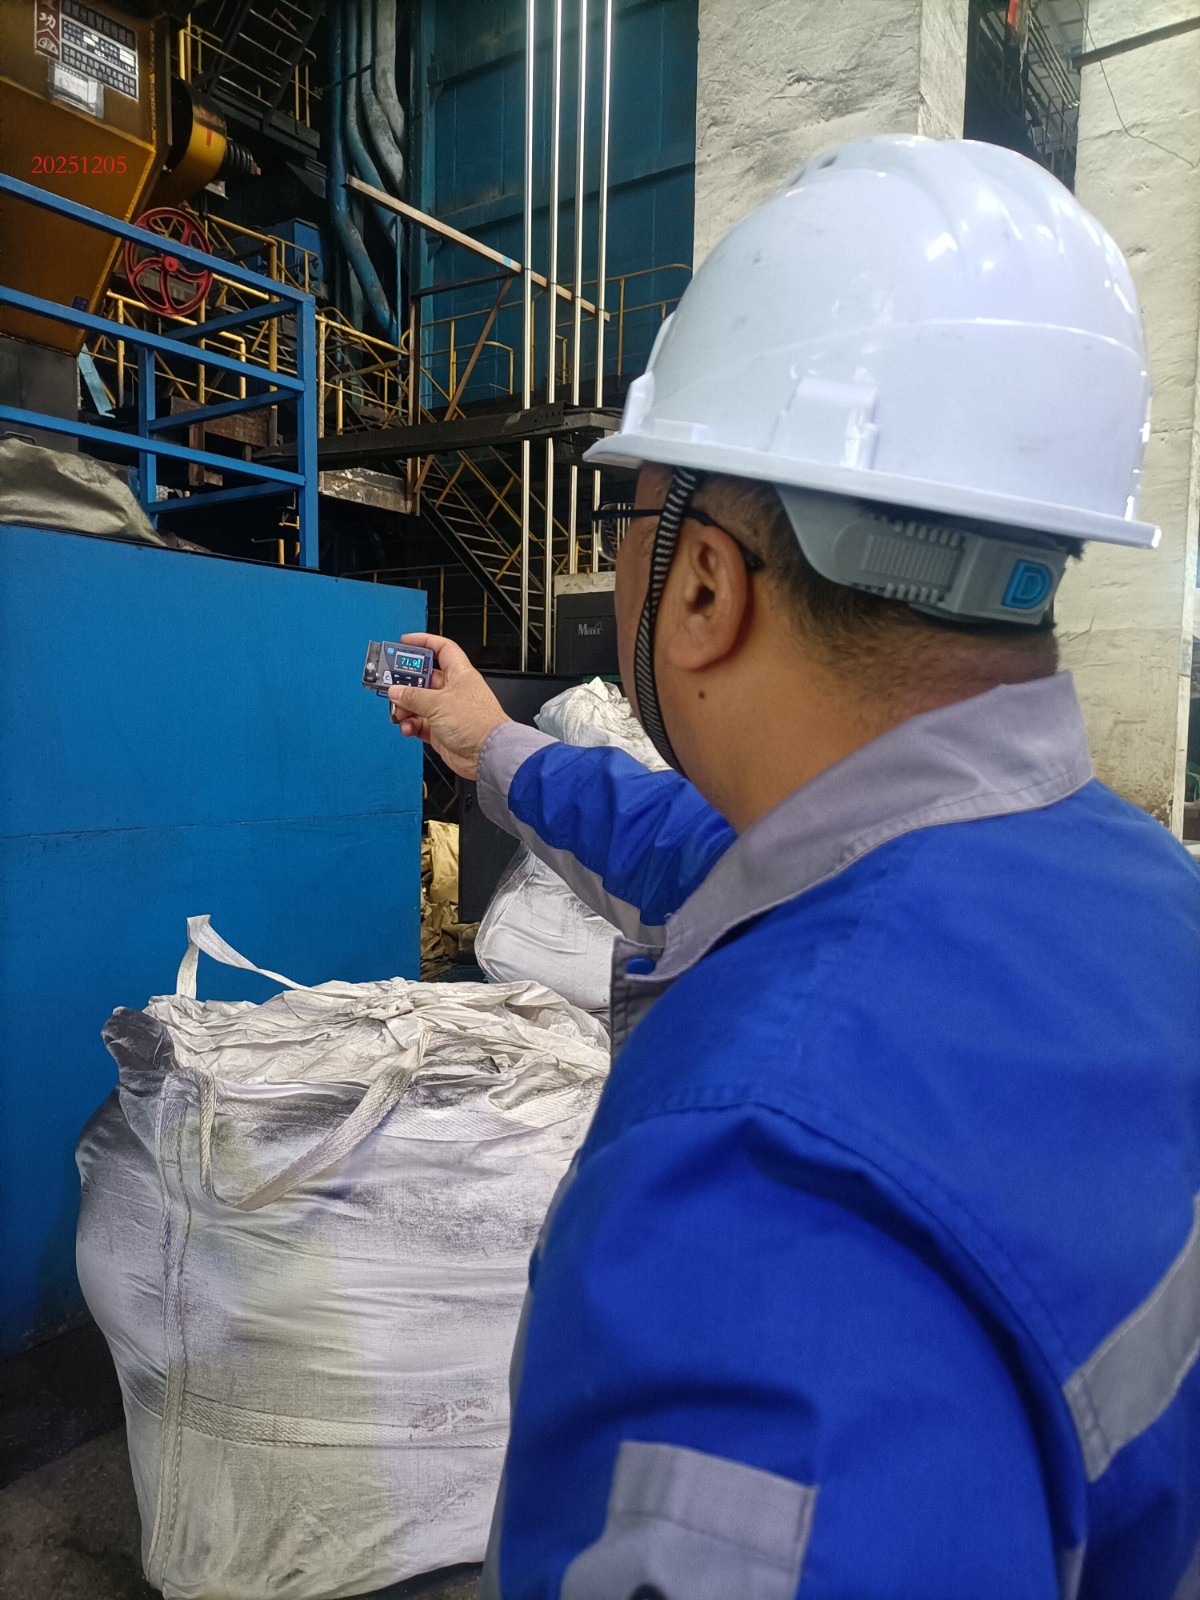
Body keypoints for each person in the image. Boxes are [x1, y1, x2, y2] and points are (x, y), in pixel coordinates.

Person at [389, 137, 1200, 1599]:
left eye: (633, 511)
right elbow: (709, 853)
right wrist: (490, 742)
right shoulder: (1136, 891)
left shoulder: (757, 1189)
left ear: (702, 584)